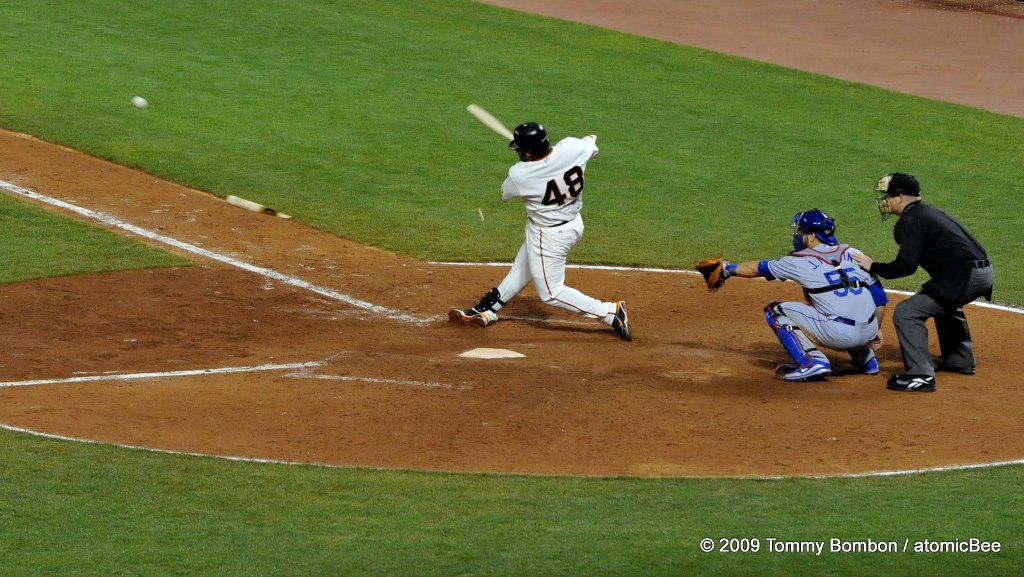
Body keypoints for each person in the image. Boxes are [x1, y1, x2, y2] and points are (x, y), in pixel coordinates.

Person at [448, 122, 631, 341]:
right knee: (522, 268)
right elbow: (592, 144)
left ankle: (610, 312)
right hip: (572, 223)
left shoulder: (520, 174)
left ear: (528, 151)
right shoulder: (573, 147)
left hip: (550, 236)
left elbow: (504, 193)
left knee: (551, 293)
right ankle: (487, 308)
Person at [852, 173, 994, 393]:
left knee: (907, 312)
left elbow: (905, 266)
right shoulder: (927, 212)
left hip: (964, 275)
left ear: (900, 197)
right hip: (981, 272)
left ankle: (920, 375)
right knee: (942, 301)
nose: (885, 201)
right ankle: (959, 359)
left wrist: (873, 266)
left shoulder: (911, 220)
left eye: (887, 196)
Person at [713, 209, 889, 382]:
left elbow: (756, 268)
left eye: (801, 232)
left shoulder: (797, 261)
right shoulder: (853, 253)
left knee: (776, 310)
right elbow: (879, 297)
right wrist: (875, 331)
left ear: (812, 236)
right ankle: (866, 359)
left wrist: (726, 269)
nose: (798, 236)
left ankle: (812, 362)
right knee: (840, 301)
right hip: (869, 331)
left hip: (840, 334)